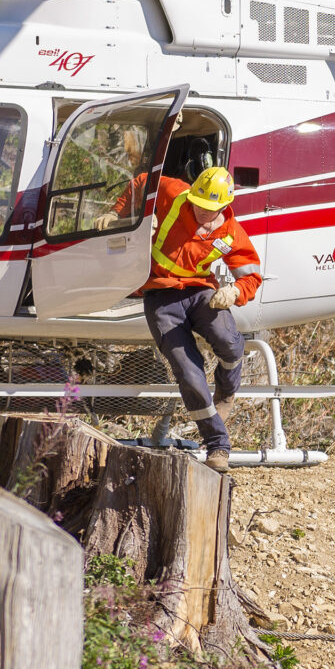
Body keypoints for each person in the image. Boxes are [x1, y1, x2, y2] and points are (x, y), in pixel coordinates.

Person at [136, 165, 261, 471]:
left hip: (200, 290)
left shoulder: (230, 232)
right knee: (190, 374)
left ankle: (227, 391)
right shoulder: (174, 193)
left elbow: (251, 274)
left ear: (223, 207)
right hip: (161, 296)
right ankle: (218, 445)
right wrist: (125, 215)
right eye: (196, 204)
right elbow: (140, 181)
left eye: (207, 209)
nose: (199, 211)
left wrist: (233, 292)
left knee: (230, 344)